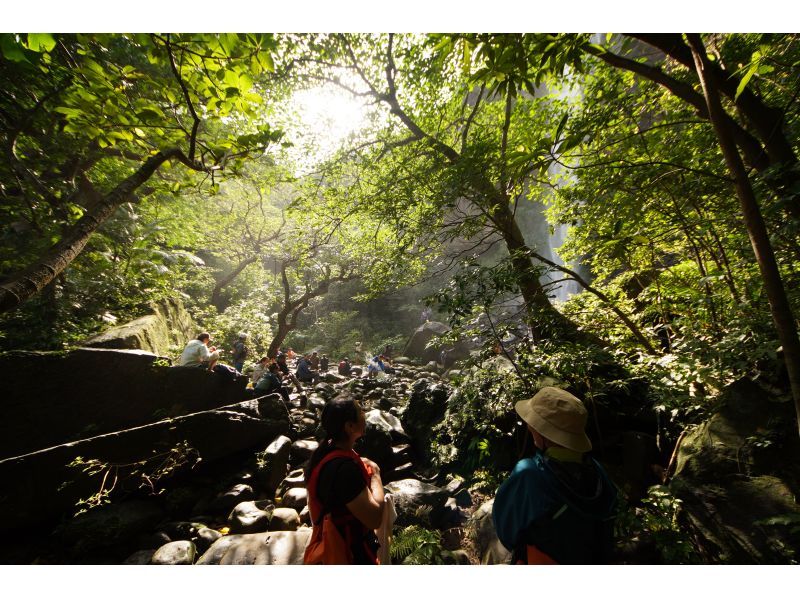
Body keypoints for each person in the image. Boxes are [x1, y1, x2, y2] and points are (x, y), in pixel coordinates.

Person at [492, 387, 618, 564]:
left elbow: (506, 530)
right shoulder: (598, 472)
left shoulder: (529, 474)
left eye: (533, 422)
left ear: (544, 432)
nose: (529, 426)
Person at [304, 397, 384, 564]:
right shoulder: (344, 470)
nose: (364, 414)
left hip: (331, 537)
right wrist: (375, 474)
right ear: (349, 426)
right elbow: (375, 519)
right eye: (360, 411)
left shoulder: (322, 455)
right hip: (349, 552)